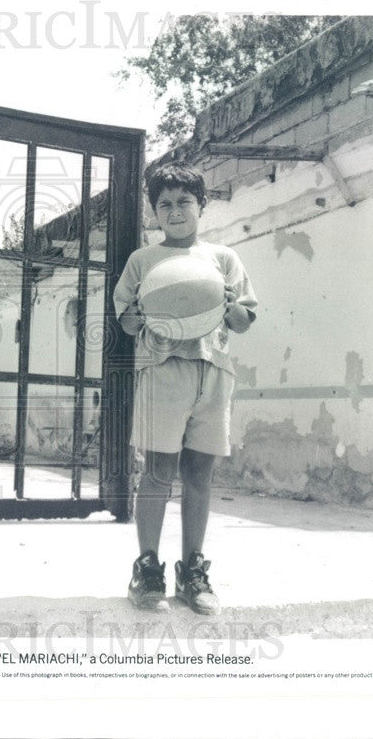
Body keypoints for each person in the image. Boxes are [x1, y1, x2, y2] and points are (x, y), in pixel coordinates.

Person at [113, 163, 258, 614]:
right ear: (154, 212)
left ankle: (193, 572)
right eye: (165, 205)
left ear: (202, 206)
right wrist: (141, 311)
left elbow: (244, 320)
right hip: (162, 371)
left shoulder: (223, 258)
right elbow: (126, 319)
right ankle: (147, 567)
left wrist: (230, 306)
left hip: (213, 372)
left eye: (184, 202)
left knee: (199, 475)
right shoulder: (143, 260)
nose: (175, 211)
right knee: (158, 471)